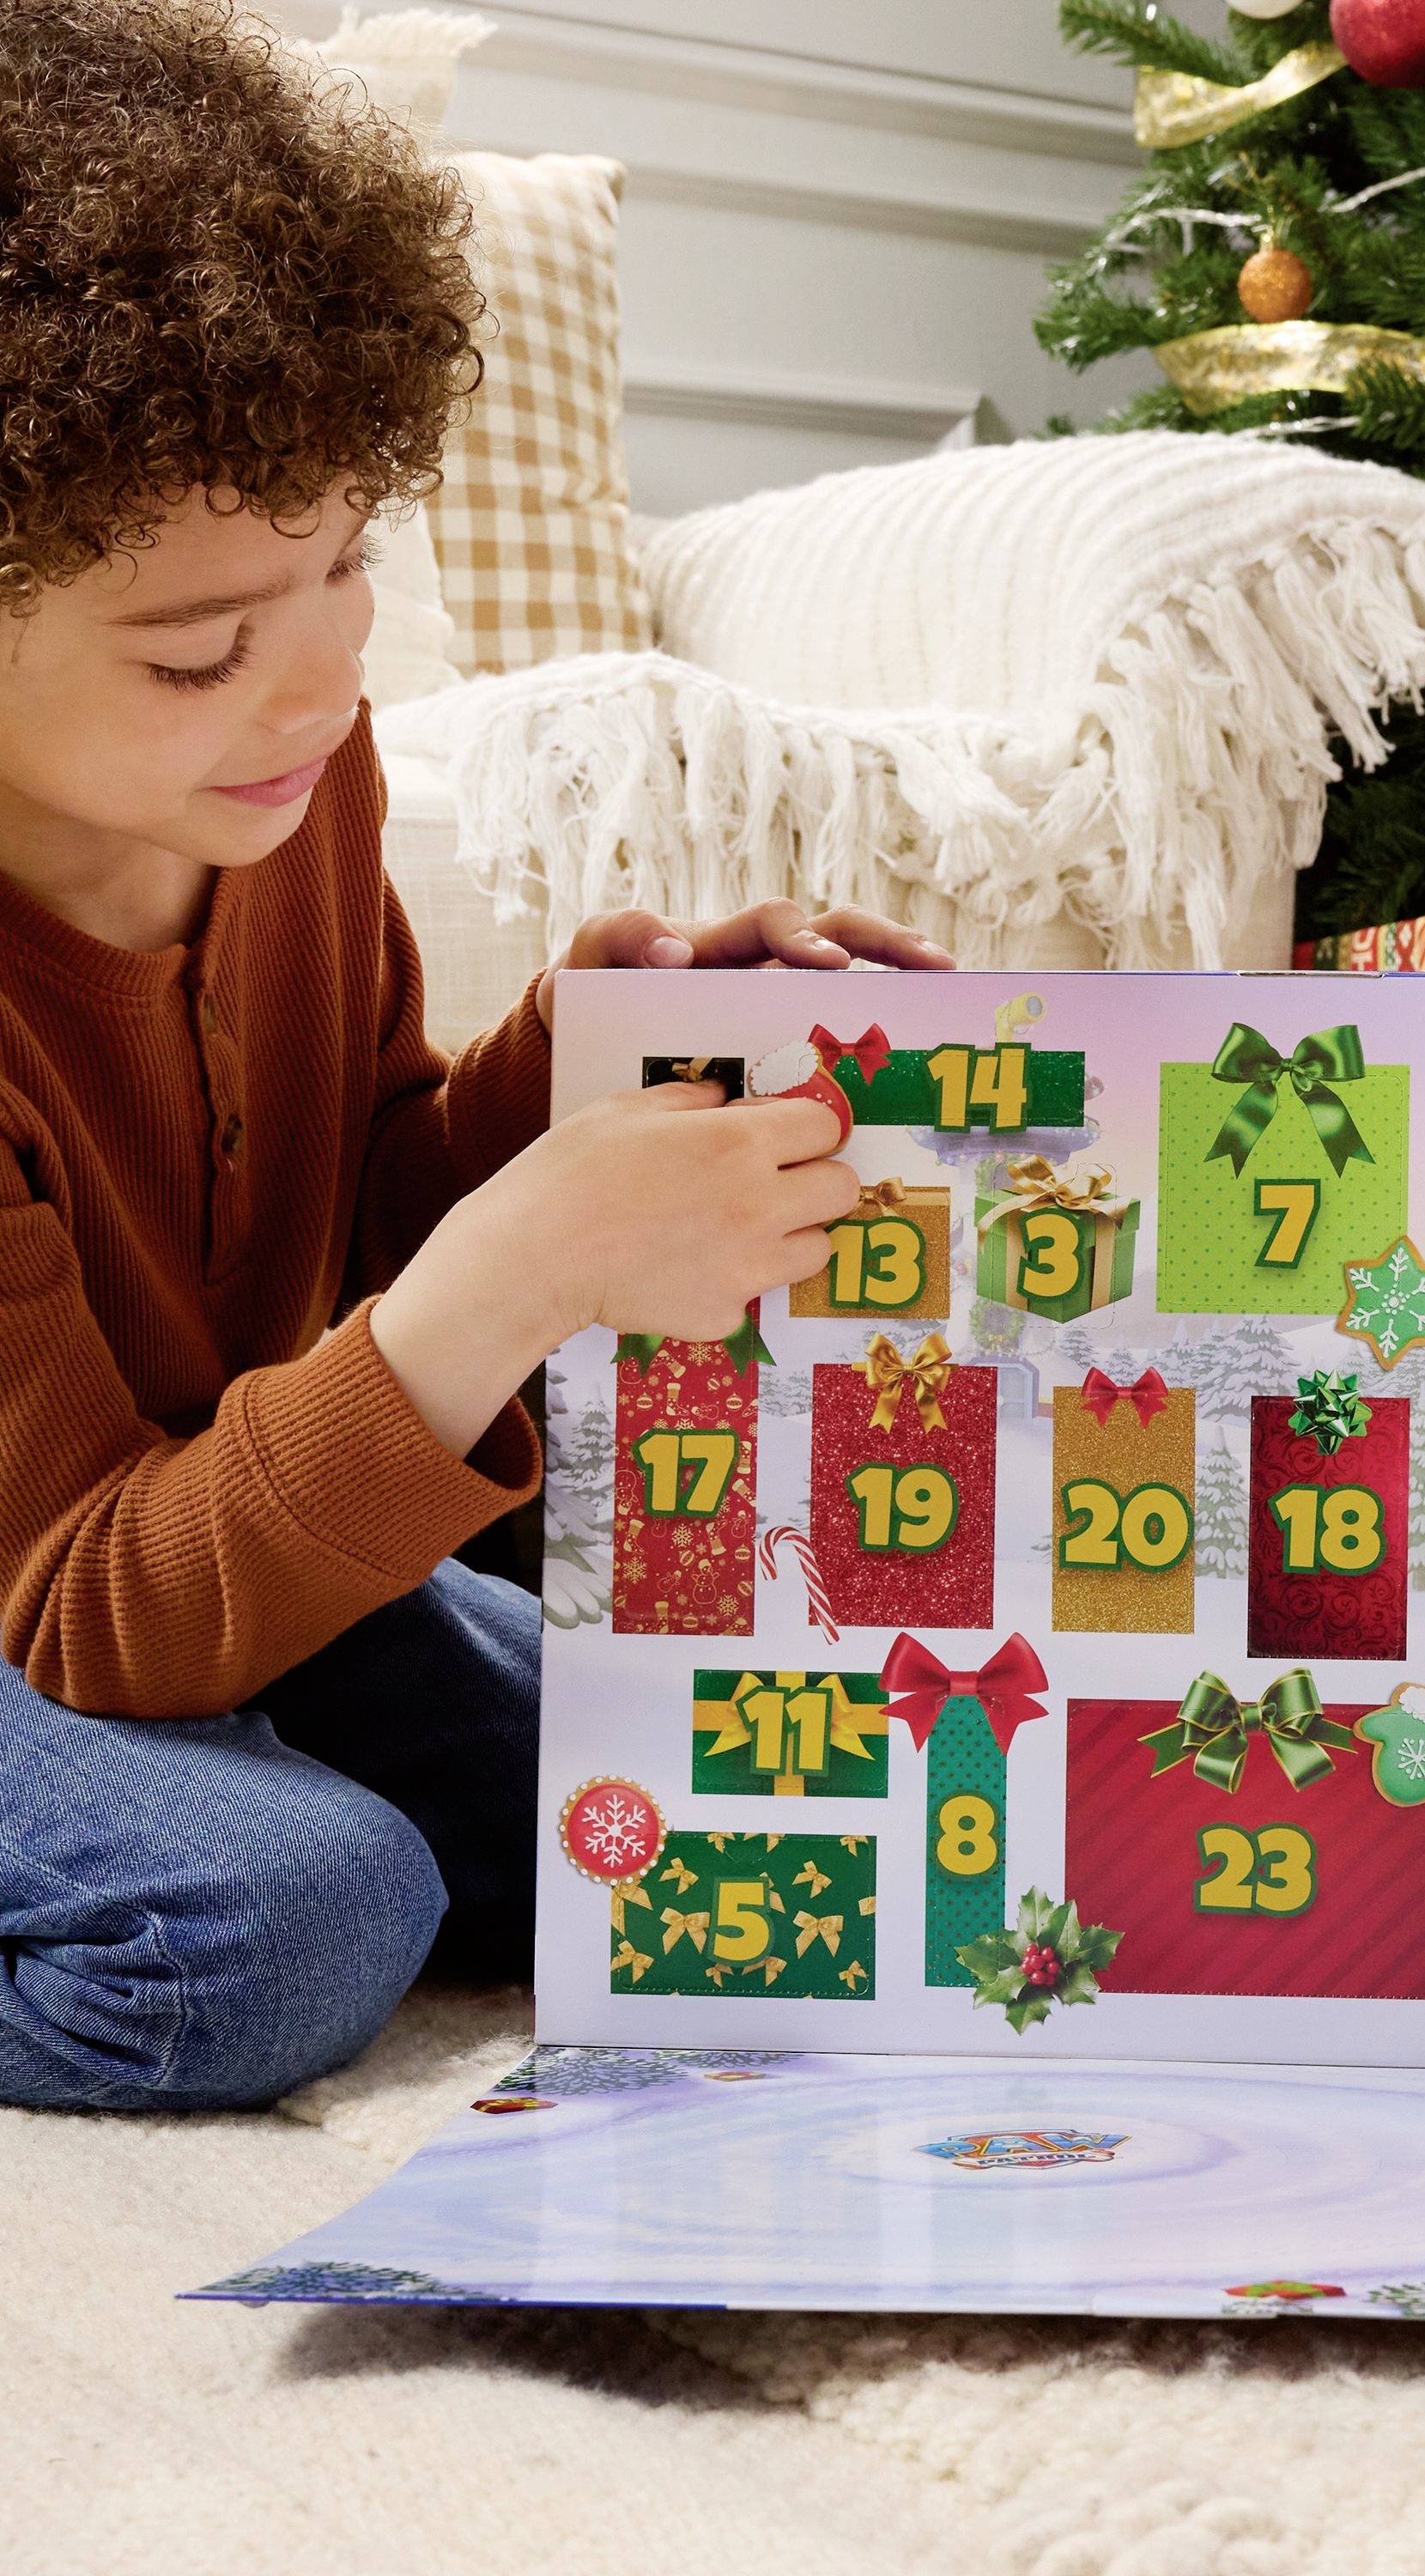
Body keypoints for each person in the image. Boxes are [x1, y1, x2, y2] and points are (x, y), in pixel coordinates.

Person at [0, 0, 949, 2111]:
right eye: (201, 647)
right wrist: (526, 1266)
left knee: (690, 1782)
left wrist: (593, 1064)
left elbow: (355, 1210)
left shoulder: (277, 792)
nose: (326, 682)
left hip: (162, 1543)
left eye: (347, 566)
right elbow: (81, 1613)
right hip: (41, 1595)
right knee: (271, 1925)